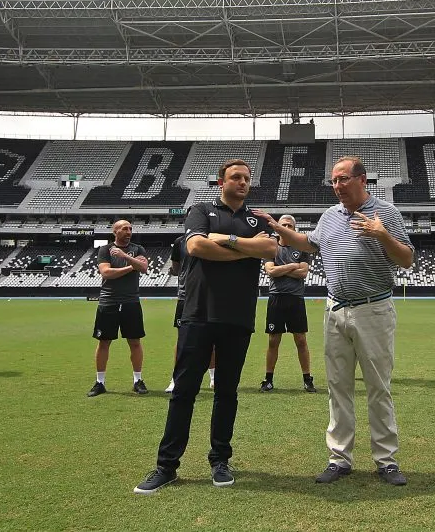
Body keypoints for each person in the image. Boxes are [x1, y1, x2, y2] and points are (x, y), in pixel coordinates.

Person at [255, 156, 413, 487]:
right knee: (338, 386)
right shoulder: (329, 217)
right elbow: (307, 243)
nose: (337, 186)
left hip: (373, 309)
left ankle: (386, 460)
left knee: (378, 387)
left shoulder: (386, 213)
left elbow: (406, 259)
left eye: (343, 179)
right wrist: (276, 226)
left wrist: (381, 234)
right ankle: (339, 457)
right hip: (335, 310)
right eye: (334, 181)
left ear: (362, 179)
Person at [134, 159, 276, 494]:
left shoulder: (255, 218)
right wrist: (245, 248)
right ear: (220, 182)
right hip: (198, 313)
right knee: (184, 392)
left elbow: (270, 248)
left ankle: (220, 460)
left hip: (238, 315)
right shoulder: (200, 210)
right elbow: (196, 246)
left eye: (246, 178)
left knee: (226, 393)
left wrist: (224, 242)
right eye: (235, 177)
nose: (242, 182)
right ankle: (166, 466)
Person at [87, 219, 150, 397]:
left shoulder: (138, 249)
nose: (129, 231)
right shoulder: (105, 250)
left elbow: (144, 268)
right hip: (108, 302)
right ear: (115, 231)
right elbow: (106, 273)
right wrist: (132, 266)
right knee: (104, 342)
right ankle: (100, 382)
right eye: (124, 228)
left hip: (131, 302)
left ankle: (138, 380)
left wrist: (126, 258)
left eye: (130, 228)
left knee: (135, 342)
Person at [261, 214, 316, 393]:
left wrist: (281, 269)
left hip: (296, 299)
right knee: (273, 340)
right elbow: (270, 271)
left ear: (294, 229)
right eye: (283, 224)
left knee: (300, 340)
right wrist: (293, 266)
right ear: (278, 227)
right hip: (276, 298)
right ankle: (268, 379)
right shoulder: (271, 247)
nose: (286, 228)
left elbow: (303, 273)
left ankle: (307, 379)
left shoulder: (301, 247)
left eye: (290, 226)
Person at [165, 234, 215, 394]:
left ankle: (213, 378)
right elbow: (176, 268)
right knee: (182, 340)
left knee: (212, 338)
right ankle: (176, 378)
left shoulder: (213, 238)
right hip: (185, 296)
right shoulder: (180, 241)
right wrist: (173, 271)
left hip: (209, 295)